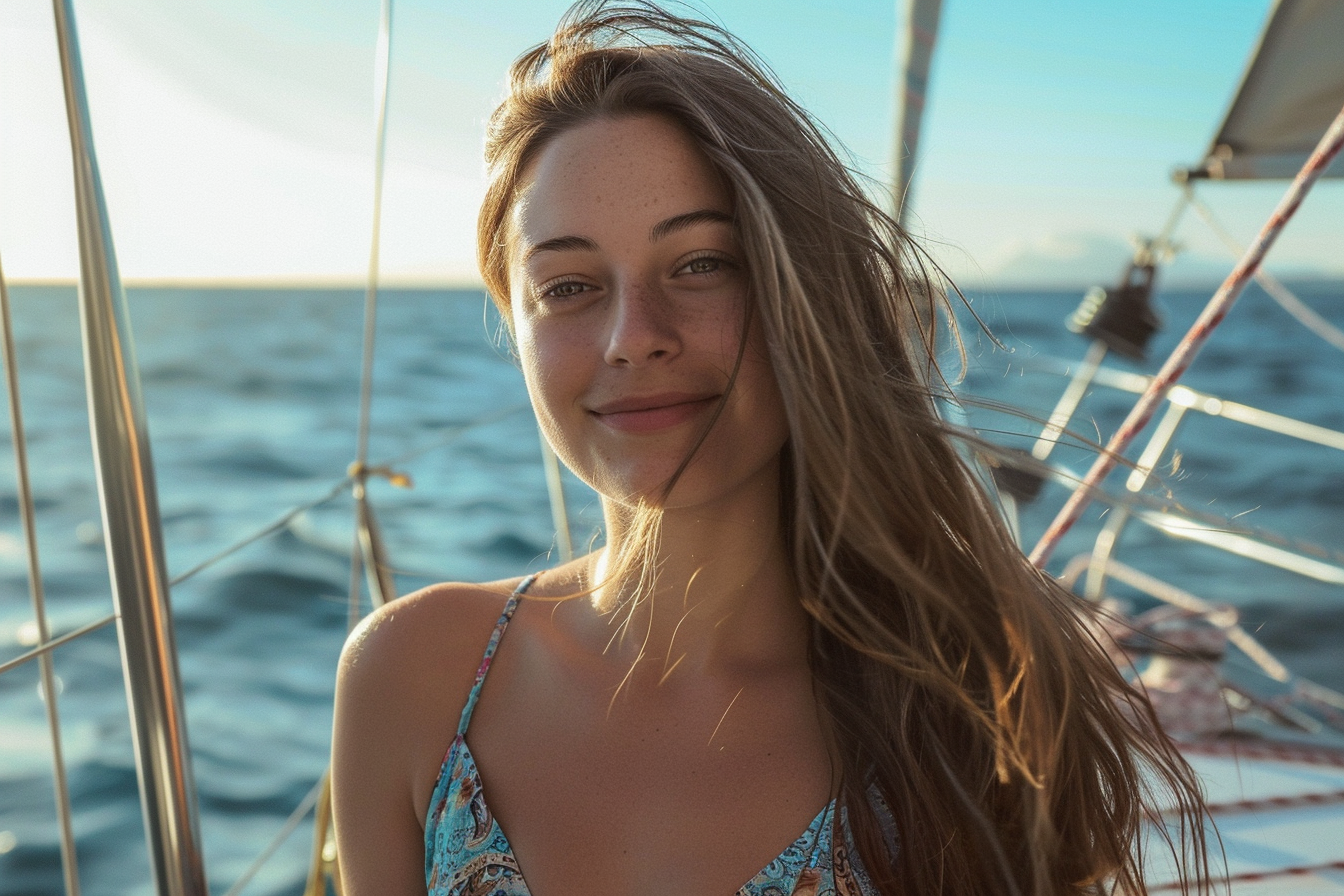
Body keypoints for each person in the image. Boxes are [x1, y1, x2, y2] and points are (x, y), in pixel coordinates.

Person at [331, 3, 1210, 894]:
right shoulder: (415, 678)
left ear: (810, 292)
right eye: (568, 285)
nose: (633, 337)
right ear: (514, 326)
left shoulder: (979, 718)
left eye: (702, 264)